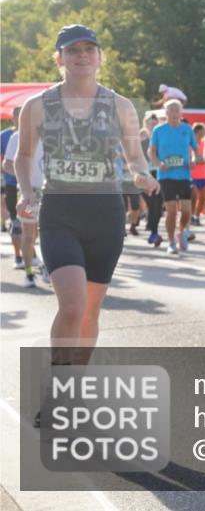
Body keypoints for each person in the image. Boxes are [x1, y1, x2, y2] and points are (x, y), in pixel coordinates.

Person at [14, 24, 158, 384]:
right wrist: (26, 193)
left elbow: (135, 157)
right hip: (60, 212)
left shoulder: (120, 106)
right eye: (72, 50)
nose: (81, 56)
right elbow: (24, 156)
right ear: (59, 59)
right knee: (72, 306)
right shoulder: (38, 106)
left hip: (105, 214)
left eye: (88, 50)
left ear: (99, 58)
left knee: (90, 313)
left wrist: (142, 175)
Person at [149, 99, 198, 255]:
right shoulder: (158, 130)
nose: (175, 113)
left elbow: (195, 150)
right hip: (166, 175)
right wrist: (159, 163)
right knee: (171, 210)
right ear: (166, 112)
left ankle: (181, 233)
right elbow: (152, 152)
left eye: (177, 110)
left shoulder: (187, 129)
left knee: (186, 210)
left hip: (184, 174)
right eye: (172, 110)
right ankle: (171, 242)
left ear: (181, 112)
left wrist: (194, 160)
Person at [3, 123, 45, 287]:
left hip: (51, 193)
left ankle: (47, 267)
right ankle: (29, 274)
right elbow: (7, 164)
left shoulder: (55, 135)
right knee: (29, 235)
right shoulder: (17, 137)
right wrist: (23, 174)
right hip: (29, 193)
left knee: (48, 233)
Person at [3, 108, 23, 269]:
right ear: (13, 119)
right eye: (20, 116)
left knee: (31, 225)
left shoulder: (38, 134)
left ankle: (31, 253)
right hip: (12, 185)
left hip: (33, 187)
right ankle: (18, 256)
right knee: (16, 222)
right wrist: (17, 171)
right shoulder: (6, 136)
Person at [139, 113, 164, 247]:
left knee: (159, 206)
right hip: (145, 175)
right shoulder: (140, 138)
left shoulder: (160, 137)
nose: (153, 125)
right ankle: (153, 233)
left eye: (155, 123)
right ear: (145, 123)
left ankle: (153, 229)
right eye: (151, 123)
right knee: (153, 205)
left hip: (159, 174)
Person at [190, 123, 205, 226]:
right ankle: (191, 216)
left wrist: (202, 160)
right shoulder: (190, 145)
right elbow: (192, 159)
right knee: (193, 197)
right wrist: (199, 160)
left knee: (203, 198)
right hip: (192, 175)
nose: (203, 134)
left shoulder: (204, 144)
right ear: (196, 132)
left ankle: (196, 216)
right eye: (202, 132)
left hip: (203, 176)